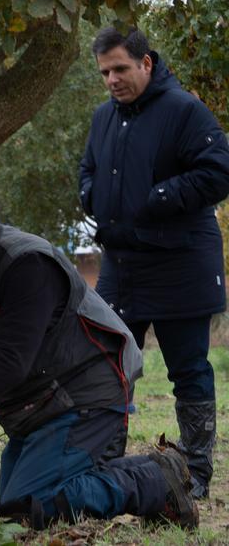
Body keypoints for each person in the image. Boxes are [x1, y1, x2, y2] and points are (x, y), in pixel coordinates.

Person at [80, 27, 229, 498]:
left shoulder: (184, 110)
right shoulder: (104, 117)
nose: (112, 80)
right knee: (104, 364)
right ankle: (107, 464)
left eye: (121, 68)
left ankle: (196, 472)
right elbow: (88, 169)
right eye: (105, 72)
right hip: (122, 267)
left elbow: (218, 171)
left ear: (147, 63)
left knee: (188, 368)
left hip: (181, 265)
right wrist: (90, 196)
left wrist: (158, 197)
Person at [0, 223, 198, 529]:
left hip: (87, 393)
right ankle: (153, 469)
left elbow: (9, 365)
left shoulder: (27, 266)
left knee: (31, 505)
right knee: (12, 509)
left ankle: (156, 480)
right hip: (44, 404)